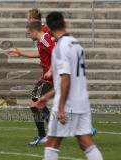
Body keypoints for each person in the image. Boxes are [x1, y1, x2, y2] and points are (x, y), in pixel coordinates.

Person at [35, 11, 103, 160]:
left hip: (68, 104)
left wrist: (61, 107)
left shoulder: (60, 47)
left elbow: (66, 78)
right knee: (85, 142)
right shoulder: (77, 44)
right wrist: (48, 95)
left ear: (49, 29)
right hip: (82, 102)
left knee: (52, 142)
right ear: (64, 23)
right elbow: (71, 77)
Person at [9, 21, 55, 145]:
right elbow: (40, 54)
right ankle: (50, 132)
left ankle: (45, 134)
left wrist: (51, 70)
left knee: (34, 103)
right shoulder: (42, 41)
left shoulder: (45, 39)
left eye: (29, 33)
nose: (29, 36)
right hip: (48, 77)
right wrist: (21, 53)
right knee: (37, 103)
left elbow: (57, 53)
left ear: (35, 31)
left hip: (51, 77)